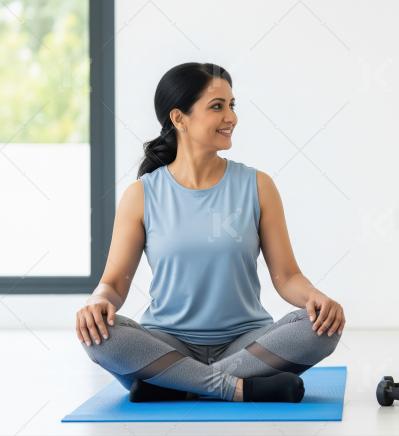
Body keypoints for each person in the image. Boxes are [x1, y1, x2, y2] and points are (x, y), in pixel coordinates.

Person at [76, 63, 344, 402]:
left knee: (320, 331)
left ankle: (178, 384)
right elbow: (114, 283)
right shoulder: (142, 195)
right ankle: (234, 387)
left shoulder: (258, 186)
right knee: (98, 335)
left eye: (232, 105)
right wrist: (98, 301)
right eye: (217, 106)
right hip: (167, 342)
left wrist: (315, 299)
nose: (231, 117)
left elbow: (287, 276)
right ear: (179, 118)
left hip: (247, 342)